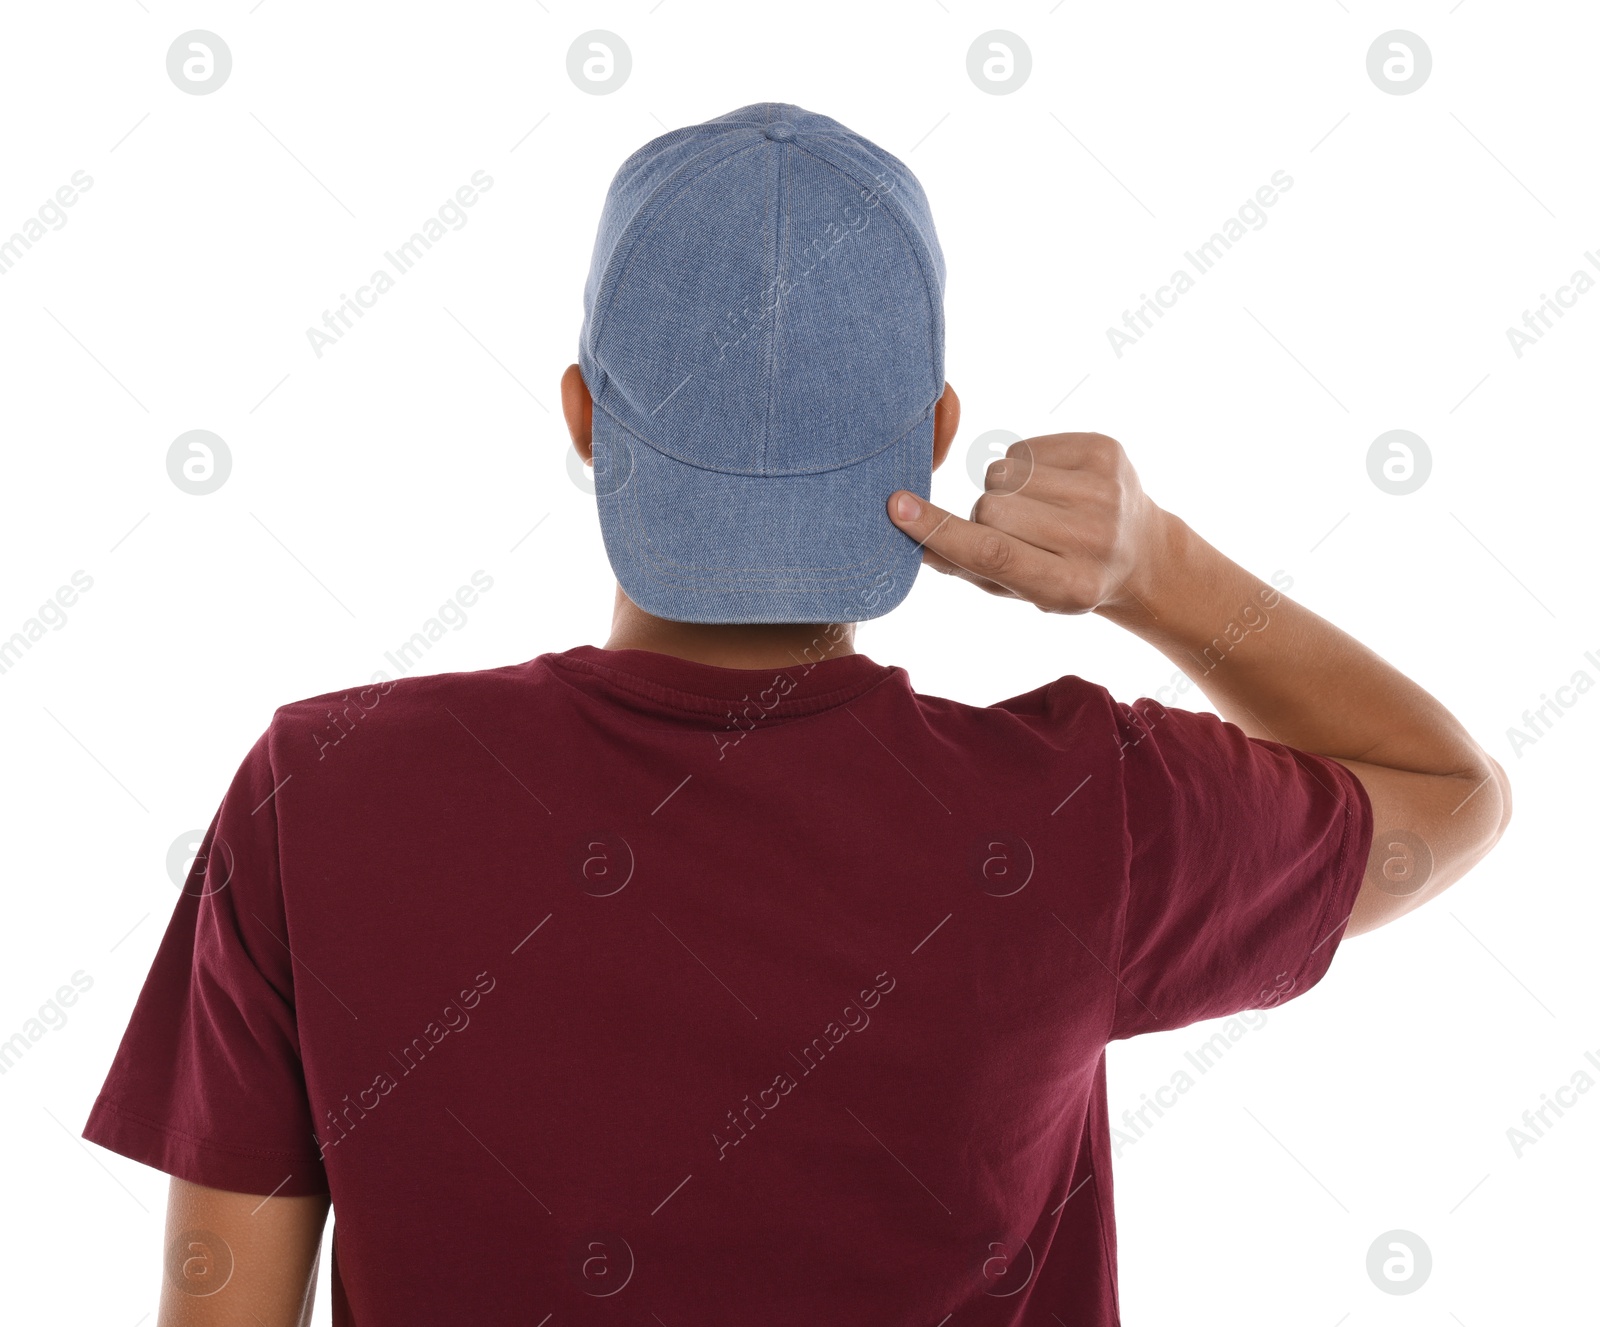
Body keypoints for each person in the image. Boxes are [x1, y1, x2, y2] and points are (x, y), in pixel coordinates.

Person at [83, 102, 1510, 1326]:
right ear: (939, 434)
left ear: (583, 417)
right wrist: (1154, 568)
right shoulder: (1090, 809)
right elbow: (1446, 793)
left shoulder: (318, 792)